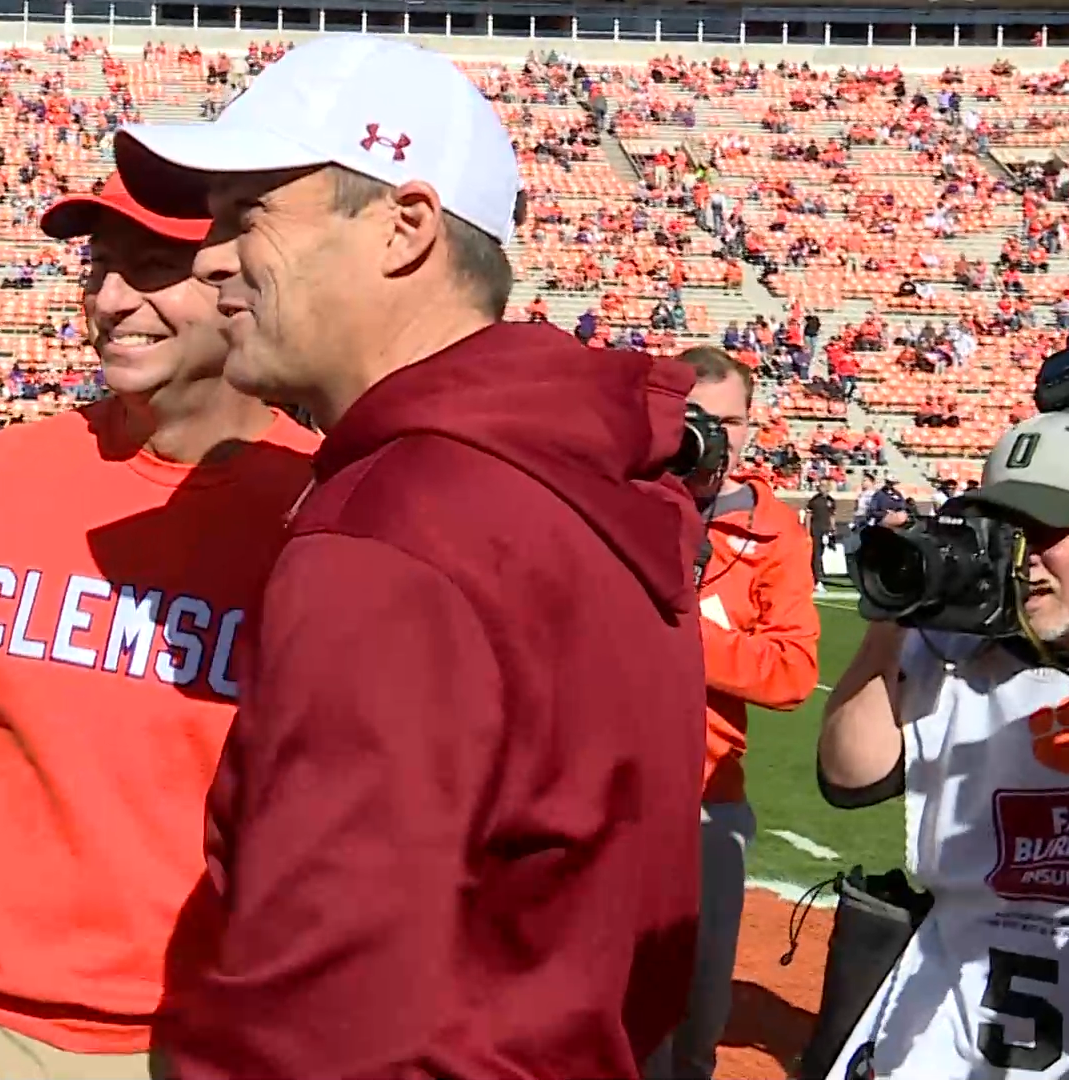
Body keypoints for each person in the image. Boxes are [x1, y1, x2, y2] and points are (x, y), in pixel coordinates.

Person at [114, 34, 706, 1077]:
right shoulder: (569, 470)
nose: (208, 254)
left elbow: (320, 1012)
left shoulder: (398, 521)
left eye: (250, 213)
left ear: (405, 227)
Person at [0, 172, 319, 1080]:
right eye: (99, 269)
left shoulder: (321, 512)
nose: (111, 300)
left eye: (154, 267)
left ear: (241, 280)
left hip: (198, 1031)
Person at [818, 410, 1069, 1080]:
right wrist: (891, 618)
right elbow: (849, 775)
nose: (1025, 554)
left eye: (1050, 529)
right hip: (960, 1027)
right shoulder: (954, 650)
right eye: (1010, 529)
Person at [649, 346, 821, 1080]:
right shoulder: (615, 496)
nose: (715, 438)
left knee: (697, 1011)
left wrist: (677, 631)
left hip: (706, 796)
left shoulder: (771, 530)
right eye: (697, 420)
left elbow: (792, 673)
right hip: (601, 791)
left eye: (731, 421)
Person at [806, 478, 838, 594]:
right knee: (816, 556)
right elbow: (808, 516)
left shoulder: (831, 501)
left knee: (821, 555)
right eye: (821, 486)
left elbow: (832, 516)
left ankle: (816, 578)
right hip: (816, 530)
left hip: (825, 531)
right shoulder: (814, 500)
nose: (823, 488)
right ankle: (817, 580)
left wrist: (833, 529)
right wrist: (807, 531)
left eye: (825, 486)